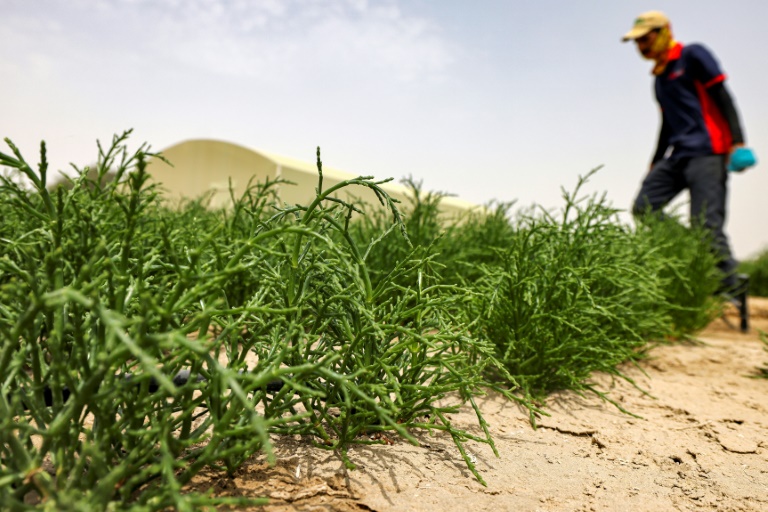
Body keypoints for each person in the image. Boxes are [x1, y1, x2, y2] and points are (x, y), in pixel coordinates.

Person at [622, 10, 756, 314]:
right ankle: (690, 251)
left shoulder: (693, 56)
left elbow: (723, 96)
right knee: (643, 207)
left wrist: (738, 142)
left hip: (709, 151)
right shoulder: (659, 80)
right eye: (637, 42)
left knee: (707, 224)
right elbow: (668, 125)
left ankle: (732, 285)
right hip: (677, 155)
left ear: (664, 32)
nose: (641, 46)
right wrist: (655, 161)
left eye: (645, 39)